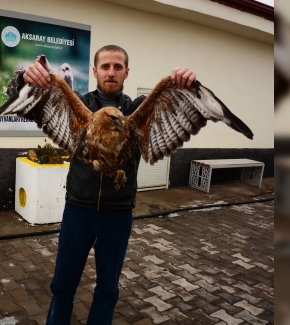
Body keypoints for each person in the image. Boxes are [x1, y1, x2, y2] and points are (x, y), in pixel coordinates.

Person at [23, 45, 196, 325]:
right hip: (78, 211)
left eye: (118, 67)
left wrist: (185, 83)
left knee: (108, 289)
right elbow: (26, 105)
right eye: (105, 66)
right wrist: (26, 80)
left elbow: (179, 99)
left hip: (117, 214)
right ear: (94, 71)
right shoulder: (80, 104)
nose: (111, 72)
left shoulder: (137, 109)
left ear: (127, 72)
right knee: (62, 285)